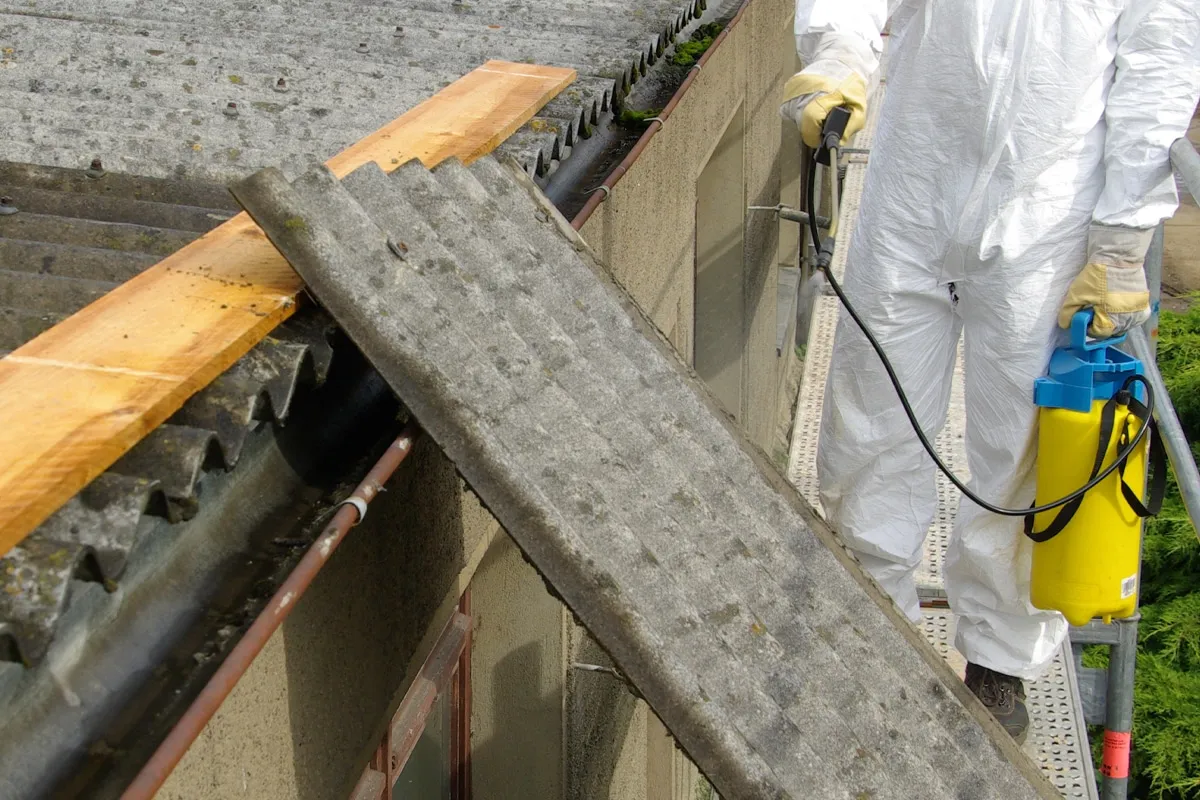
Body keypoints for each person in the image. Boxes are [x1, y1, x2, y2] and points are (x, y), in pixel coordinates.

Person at [781, 0, 1200, 742]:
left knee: (1025, 451)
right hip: (913, 185)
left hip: (1049, 212)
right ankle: (876, 632)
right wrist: (840, 55)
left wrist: (1121, 238)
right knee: (870, 418)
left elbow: (1159, 60)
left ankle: (999, 661)